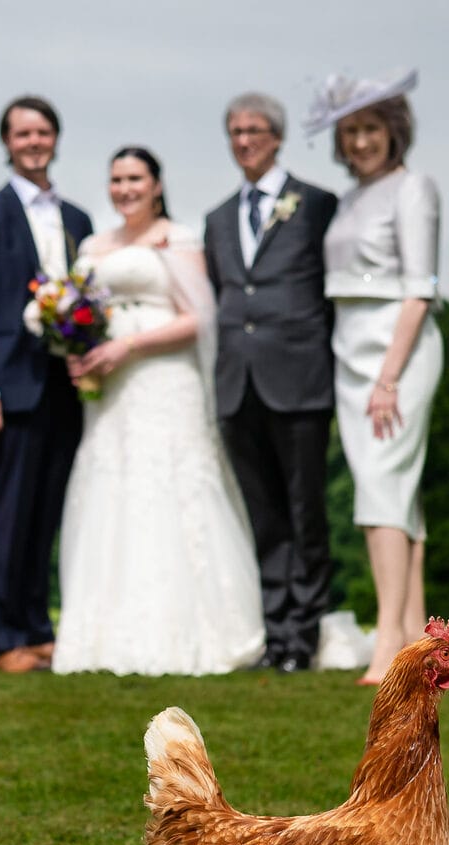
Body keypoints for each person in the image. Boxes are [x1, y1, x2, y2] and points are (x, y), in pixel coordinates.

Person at [54, 148, 264, 676]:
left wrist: (130, 346)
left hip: (165, 379)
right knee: (112, 488)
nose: (125, 189)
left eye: (135, 179)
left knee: (171, 487)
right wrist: (78, 352)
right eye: (116, 179)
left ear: (156, 184)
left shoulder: (179, 238)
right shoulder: (93, 245)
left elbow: (199, 318)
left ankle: (197, 631)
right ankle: (101, 635)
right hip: (110, 390)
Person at [309, 69, 443, 685]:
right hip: (349, 348)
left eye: (371, 128)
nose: (361, 141)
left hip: (397, 350)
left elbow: (419, 291)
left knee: (382, 488)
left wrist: (389, 377)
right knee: (393, 491)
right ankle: (420, 636)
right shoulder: (347, 200)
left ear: (395, 131)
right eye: (351, 131)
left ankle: (389, 636)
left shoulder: (414, 189)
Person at [203, 93, 340, 675]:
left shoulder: (316, 204)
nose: (243, 140)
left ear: (277, 137)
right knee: (265, 516)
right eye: (234, 131)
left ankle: (303, 639)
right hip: (238, 384)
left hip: (300, 378)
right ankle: (276, 634)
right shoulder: (215, 218)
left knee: (306, 511)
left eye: (253, 129)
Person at [0, 95, 95, 673]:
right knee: (11, 515)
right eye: (22, 134)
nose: (33, 141)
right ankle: (6, 637)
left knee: (46, 515)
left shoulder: (79, 218)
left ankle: (39, 628)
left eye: (42, 132)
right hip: (8, 389)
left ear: (56, 139)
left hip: (64, 387)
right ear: (8, 143)